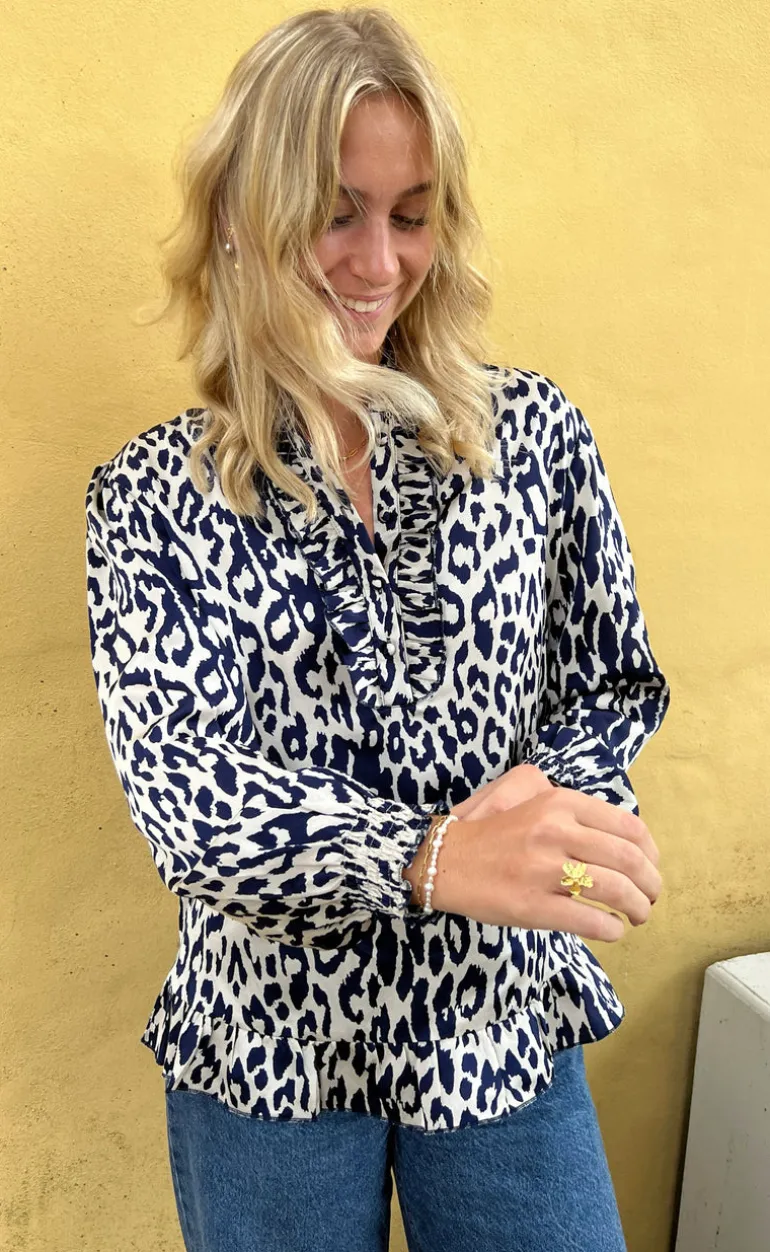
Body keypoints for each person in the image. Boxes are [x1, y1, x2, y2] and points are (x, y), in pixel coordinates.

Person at [84, 7, 669, 1250]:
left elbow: (608, 684)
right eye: (335, 212)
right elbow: (185, 795)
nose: (376, 263)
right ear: (240, 215)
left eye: (410, 216)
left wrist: (551, 825)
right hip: (268, 1049)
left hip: (497, 1016)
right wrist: (430, 854)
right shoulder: (150, 500)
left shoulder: (531, 438)